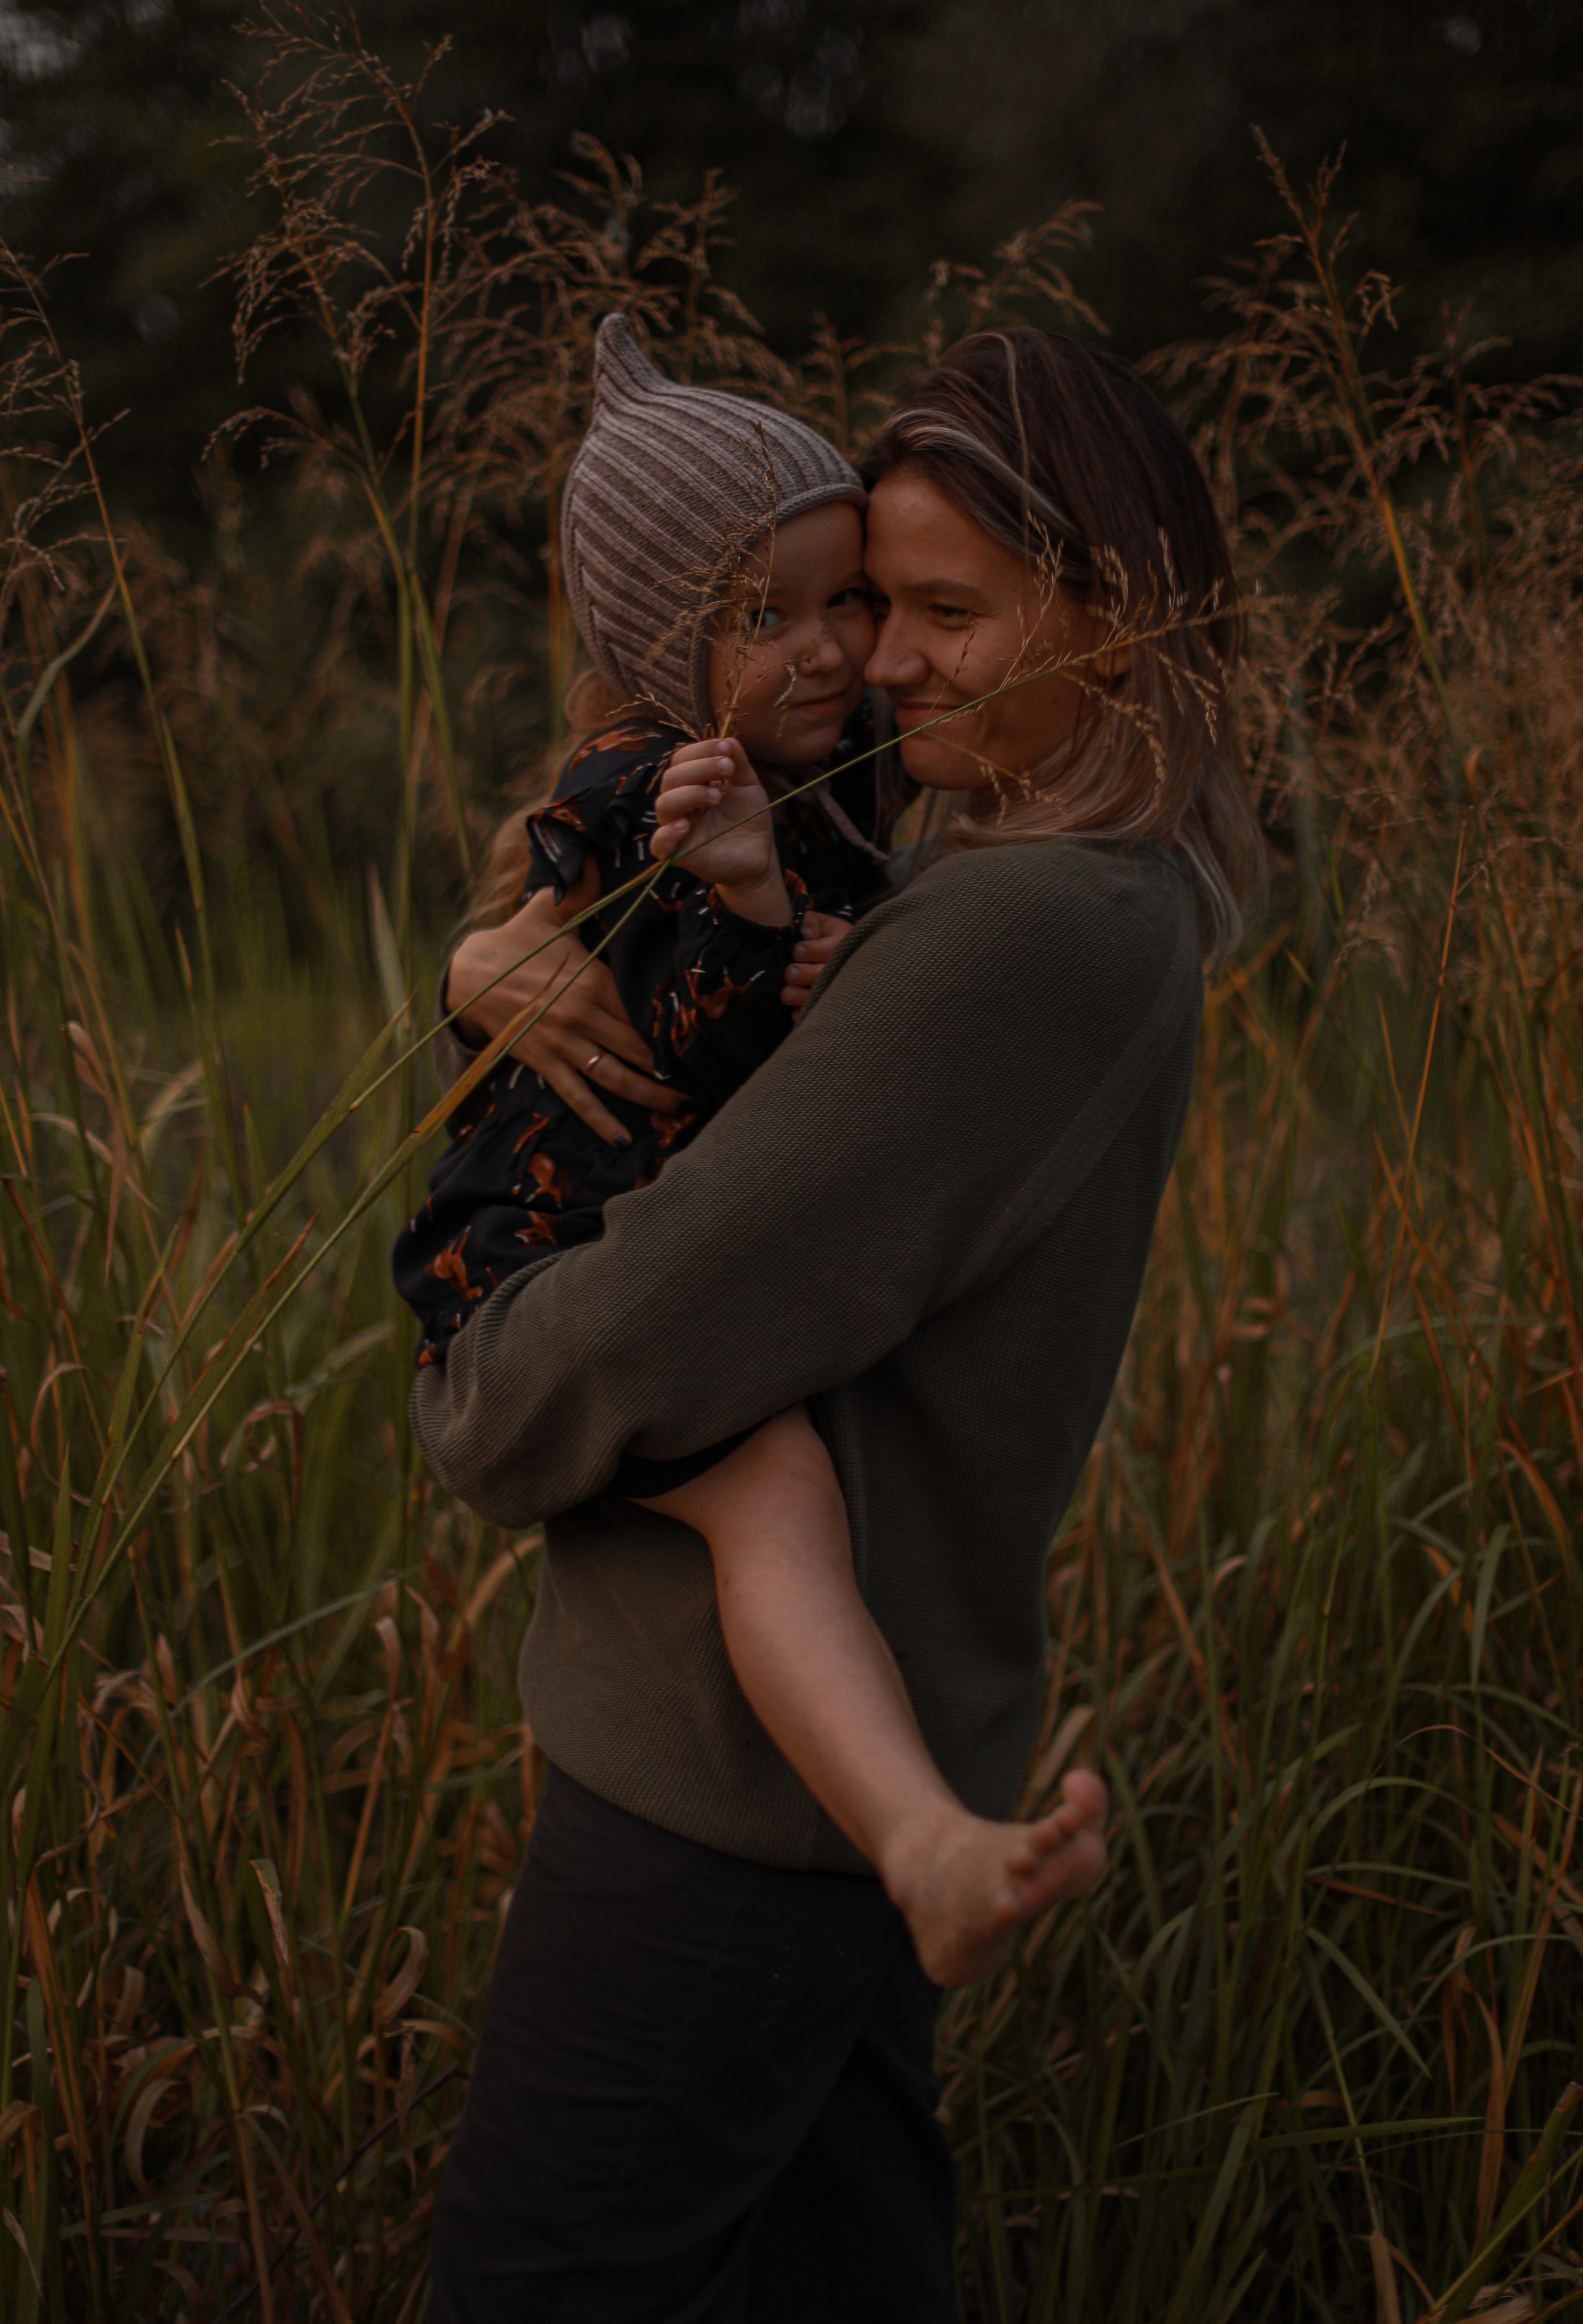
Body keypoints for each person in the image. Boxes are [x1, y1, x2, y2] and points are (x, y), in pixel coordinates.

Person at [416, 325, 1262, 2323]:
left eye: (949, 613)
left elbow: (631, 1337)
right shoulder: (1008, 878)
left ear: (1119, 621)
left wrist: (476, 1391)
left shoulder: (1020, 921)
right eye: (878, 606)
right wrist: (483, 963)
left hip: (725, 1798)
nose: (882, 664)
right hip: (823, 1790)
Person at [396, 313, 1109, 1989]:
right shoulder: (656, 786)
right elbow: (684, 1053)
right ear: (665, 646)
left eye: (846, 598)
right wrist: (751, 904)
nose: (835, 650)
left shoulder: (827, 770)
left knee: (780, 1499)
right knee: (776, 1496)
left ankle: (924, 1844)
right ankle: (922, 1843)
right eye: (762, 617)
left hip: (630, 1225)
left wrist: (842, 934)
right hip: (537, 1250)